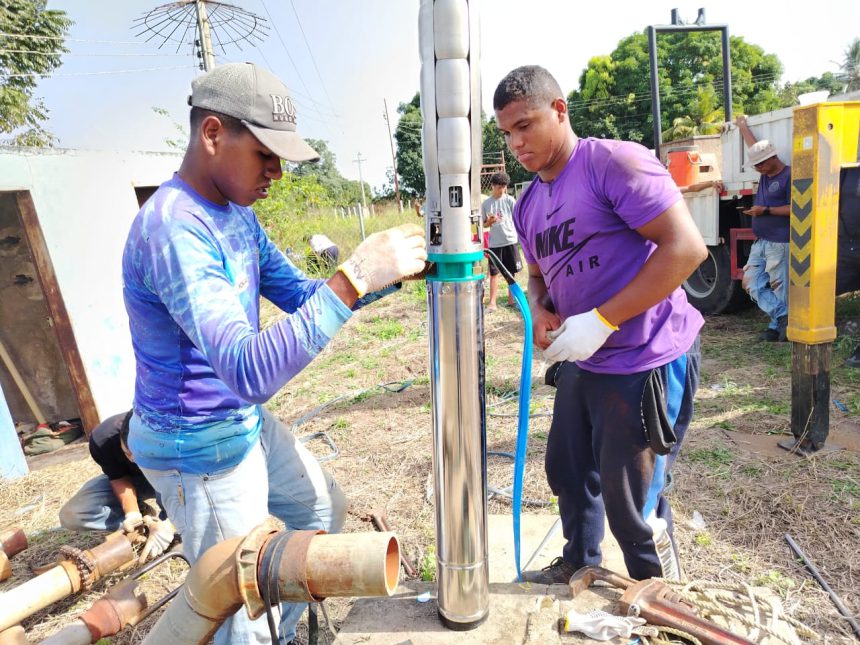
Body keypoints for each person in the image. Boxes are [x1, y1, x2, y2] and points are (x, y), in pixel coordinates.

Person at [121, 62, 426, 645]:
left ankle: (284, 637)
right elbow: (247, 368)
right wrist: (352, 279)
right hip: (199, 446)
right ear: (213, 135)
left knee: (318, 514)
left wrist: (384, 276)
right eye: (265, 154)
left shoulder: (236, 215)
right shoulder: (174, 230)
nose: (278, 173)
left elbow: (302, 296)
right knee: (241, 608)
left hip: (239, 423)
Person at [493, 65, 706, 583]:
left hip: (646, 354)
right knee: (568, 470)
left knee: (632, 498)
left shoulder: (612, 163)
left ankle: (654, 596)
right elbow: (539, 277)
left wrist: (605, 319)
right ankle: (579, 564)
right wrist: (542, 309)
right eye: (506, 133)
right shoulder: (527, 205)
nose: (516, 143)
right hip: (583, 358)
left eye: (526, 125)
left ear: (560, 111)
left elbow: (687, 249)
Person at [59, 411, 175, 563]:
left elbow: (191, 484)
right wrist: (132, 513)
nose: (133, 460)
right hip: (137, 481)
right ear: (120, 436)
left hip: (170, 477)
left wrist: (169, 522)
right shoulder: (103, 438)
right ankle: (145, 522)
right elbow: (118, 477)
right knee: (71, 515)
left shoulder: (172, 433)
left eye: (141, 456)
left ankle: (167, 525)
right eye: (128, 453)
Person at [736, 115, 792, 342]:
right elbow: (755, 148)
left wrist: (765, 211)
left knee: (779, 285)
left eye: (760, 164)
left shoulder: (788, 175)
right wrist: (742, 127)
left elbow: (796, 208)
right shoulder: (765, 172)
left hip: (780, 241)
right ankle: (782, 317)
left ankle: (775, 327)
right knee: (750, 282)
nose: (757, 168)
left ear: (772, 158)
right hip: (762, 240)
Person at [481, 172, 522, 312]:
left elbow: (517, 218)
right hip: (495, 244)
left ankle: (512, 300)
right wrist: (489, 222)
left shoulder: (510, 200)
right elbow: (483, 225)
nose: (501, 190)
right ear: (492, 186)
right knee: (494, 273)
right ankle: (492, 303)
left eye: (503, 187)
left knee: (511, 272)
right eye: (499, 187)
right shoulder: (486, 203)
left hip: (510, 240)